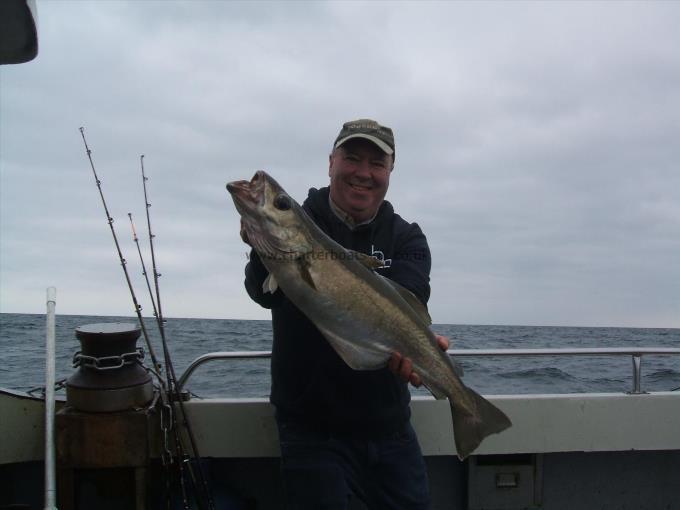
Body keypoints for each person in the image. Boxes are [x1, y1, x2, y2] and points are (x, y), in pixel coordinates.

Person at [240, 119, 449, 509]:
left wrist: (418, 346)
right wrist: (261, 243)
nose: (363, 173)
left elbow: (412, 298)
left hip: (390, 430)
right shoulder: (302, 220)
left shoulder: (407, 237)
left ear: (390, 171)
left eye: (377, 163)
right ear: (331, 163)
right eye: (352, 158)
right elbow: (262, 293)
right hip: (311, 431)